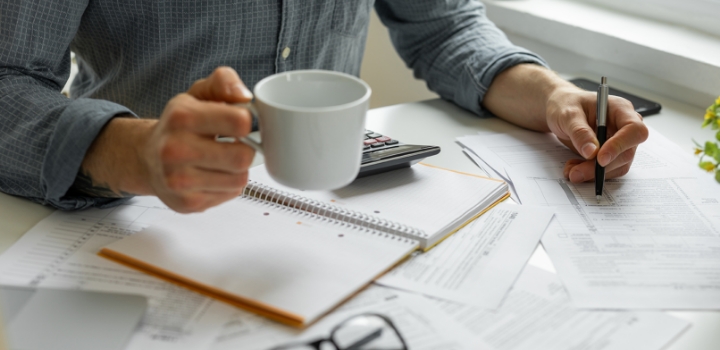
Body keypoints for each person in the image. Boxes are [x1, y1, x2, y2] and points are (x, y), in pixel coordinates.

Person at [0, 0, 647, 213]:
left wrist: (555, 95)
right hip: (128, 217)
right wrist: (136, 154)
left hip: (337, 219)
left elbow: (443, 27)